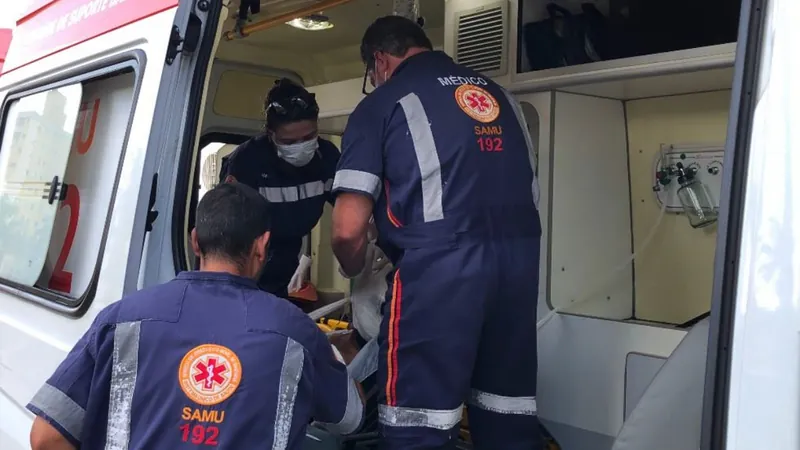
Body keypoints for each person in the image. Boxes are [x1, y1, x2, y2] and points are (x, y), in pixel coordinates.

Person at [330, 15, 543, 449]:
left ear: (380, 61)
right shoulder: (503, 98)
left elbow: (348, 229)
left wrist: (356, 269)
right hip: (519, 273)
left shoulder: (382, 103)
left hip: (438, 276)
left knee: (417, 423)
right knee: (507, 412)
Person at [27, 183, 363, 450]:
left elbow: (46, 438)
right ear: (262, 245)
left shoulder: (121, 319)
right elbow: (350, 418)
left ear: (195, 241)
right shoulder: (296, 332)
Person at [221, 78, 339, 299]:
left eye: (309, 137)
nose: (301, 147)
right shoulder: (247, 162)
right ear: (270, 135)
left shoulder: (327, 157)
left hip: (286, 256)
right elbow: (229, 231)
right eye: (290, 142)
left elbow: (348, 205)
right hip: (246, 258)